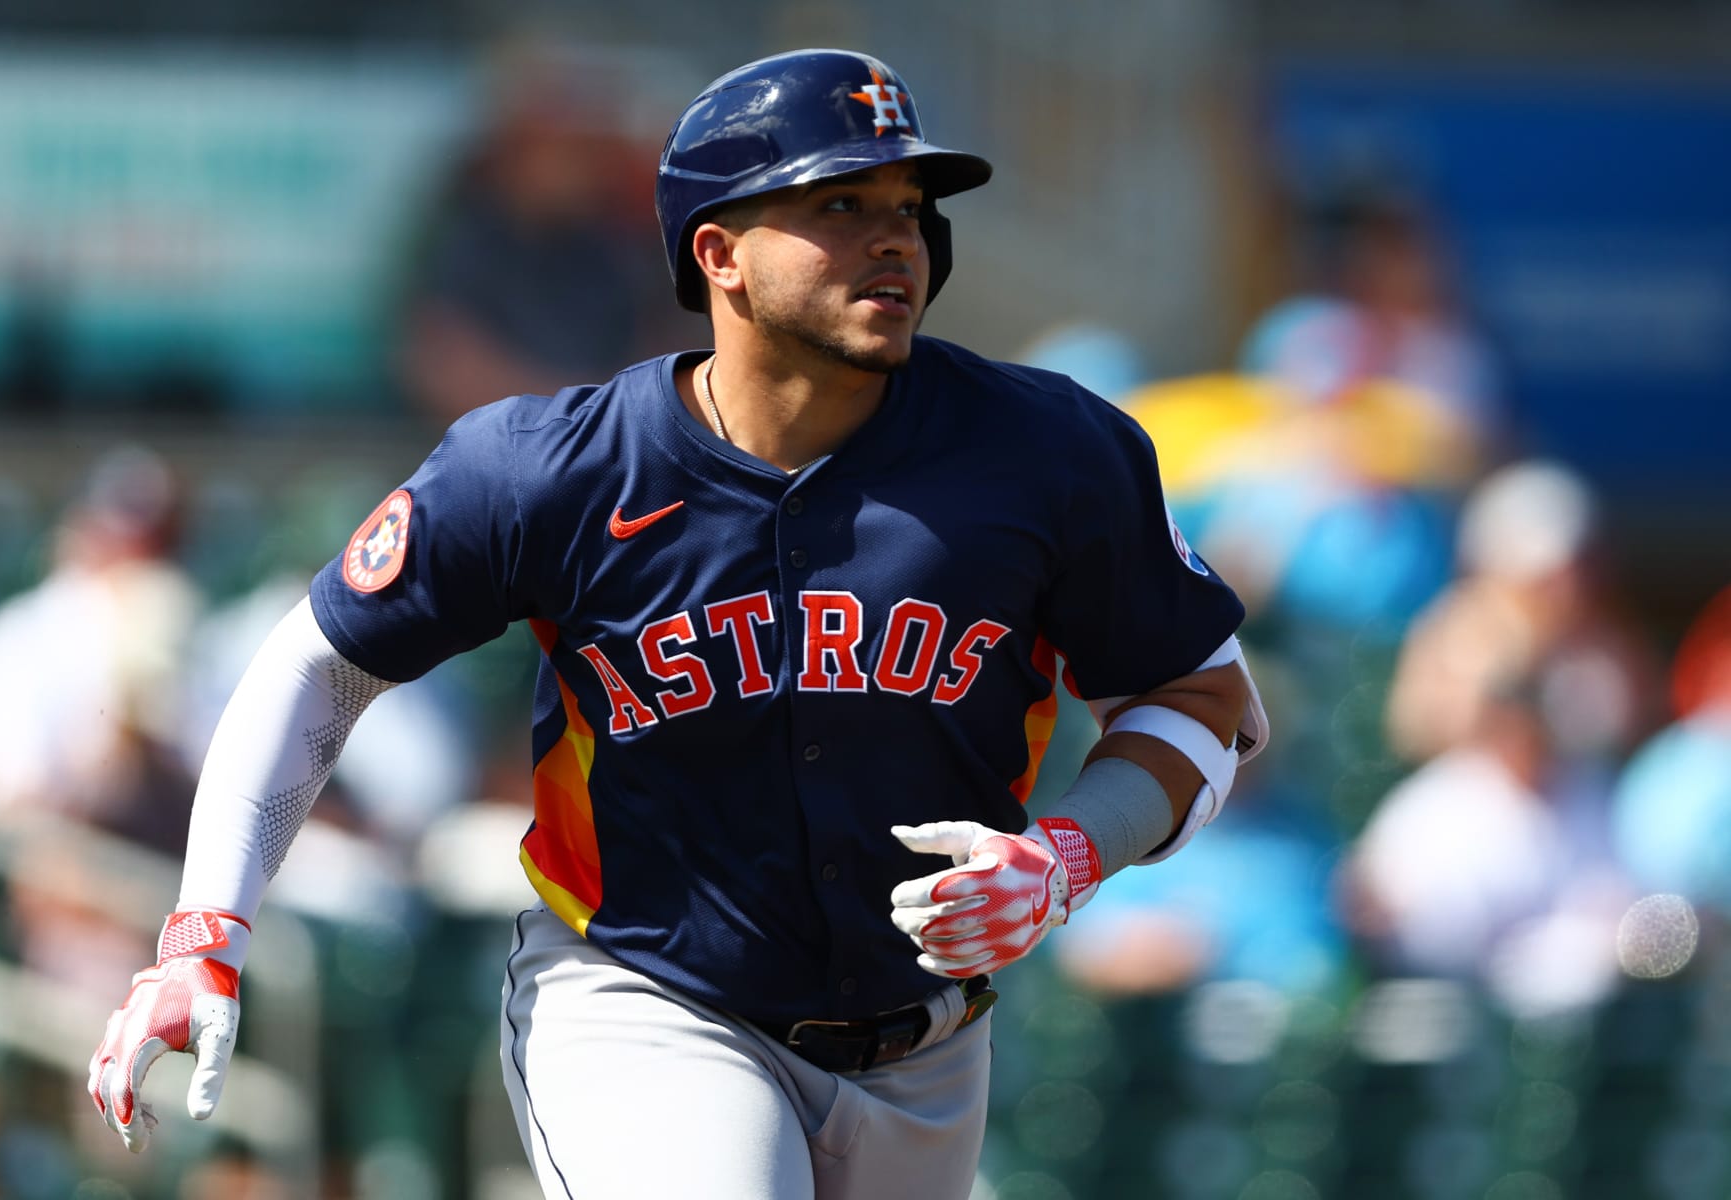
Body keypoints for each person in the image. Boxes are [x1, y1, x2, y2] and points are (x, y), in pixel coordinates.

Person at [85, 49, 1267, 1200]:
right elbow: (320, 666)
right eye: (841, 202)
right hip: (645, 1000)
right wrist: (204, 930)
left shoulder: (1048, 451)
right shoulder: (552, 467)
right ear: (720, 254)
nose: (896, 235)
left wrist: (1071, 855)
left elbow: (1206, 700)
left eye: (908, 203)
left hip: (928, 1053)